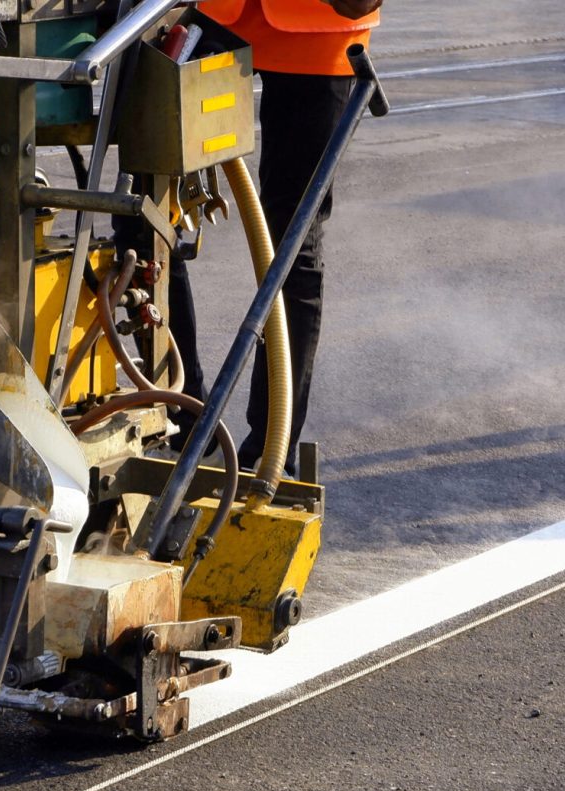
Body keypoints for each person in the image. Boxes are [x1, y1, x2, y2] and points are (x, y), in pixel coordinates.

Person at [176, 0, 384, 475]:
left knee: (293, 241)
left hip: (319, 23)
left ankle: (267, 451)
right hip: (215, 12)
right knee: (148, 209)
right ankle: (179, 411)